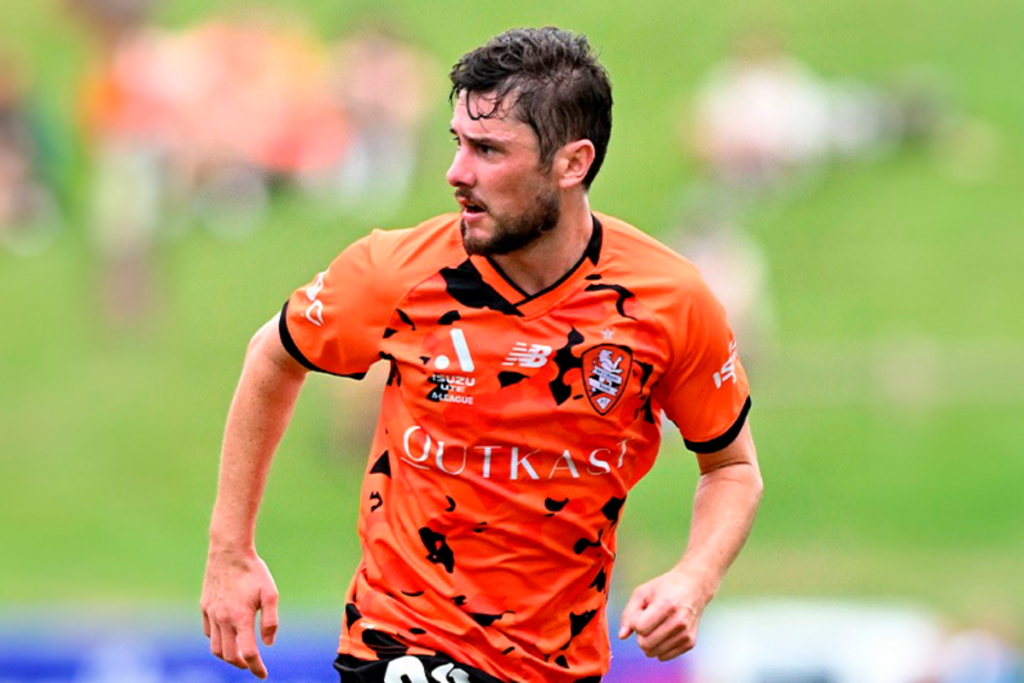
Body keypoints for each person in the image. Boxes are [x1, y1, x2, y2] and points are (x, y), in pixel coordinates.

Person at [201, 27, 763, 683]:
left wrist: (695, 576)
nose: (456, 172)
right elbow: (273, 354)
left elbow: (732, 468)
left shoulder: (668, 301)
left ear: (572, 163)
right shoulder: (398, 272)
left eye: (488, 150)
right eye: (457, 142)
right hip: (403, 644)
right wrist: (229, 550)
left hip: (562, 664)